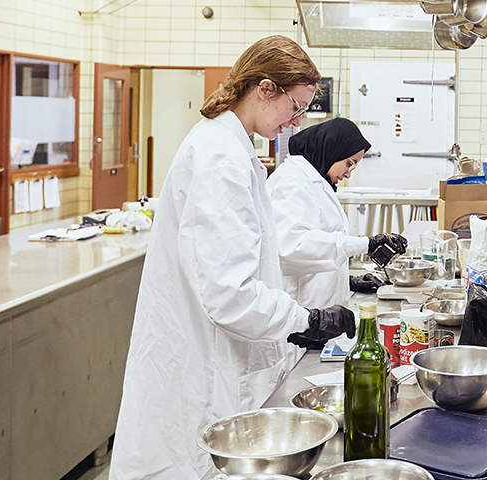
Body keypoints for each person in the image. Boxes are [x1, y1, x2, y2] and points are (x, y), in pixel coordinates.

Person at [109, 36, 357, 480]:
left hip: (211, 356)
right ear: (265, 88)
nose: (296, 122)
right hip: (198, 368)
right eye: (294, 107)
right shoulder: (221, 159)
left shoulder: (231, 145)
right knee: (190, 462)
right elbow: (230, 295)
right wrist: (307, 320)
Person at [266, 118, 407, 345]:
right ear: (332, 149)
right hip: (302, 321)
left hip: (319, 316)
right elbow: (293, 247)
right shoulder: (291, 183)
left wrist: (349, 281)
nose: (349, 173)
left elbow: (320, 243)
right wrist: (366, 244)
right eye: (349, 163)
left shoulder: (314, 180)